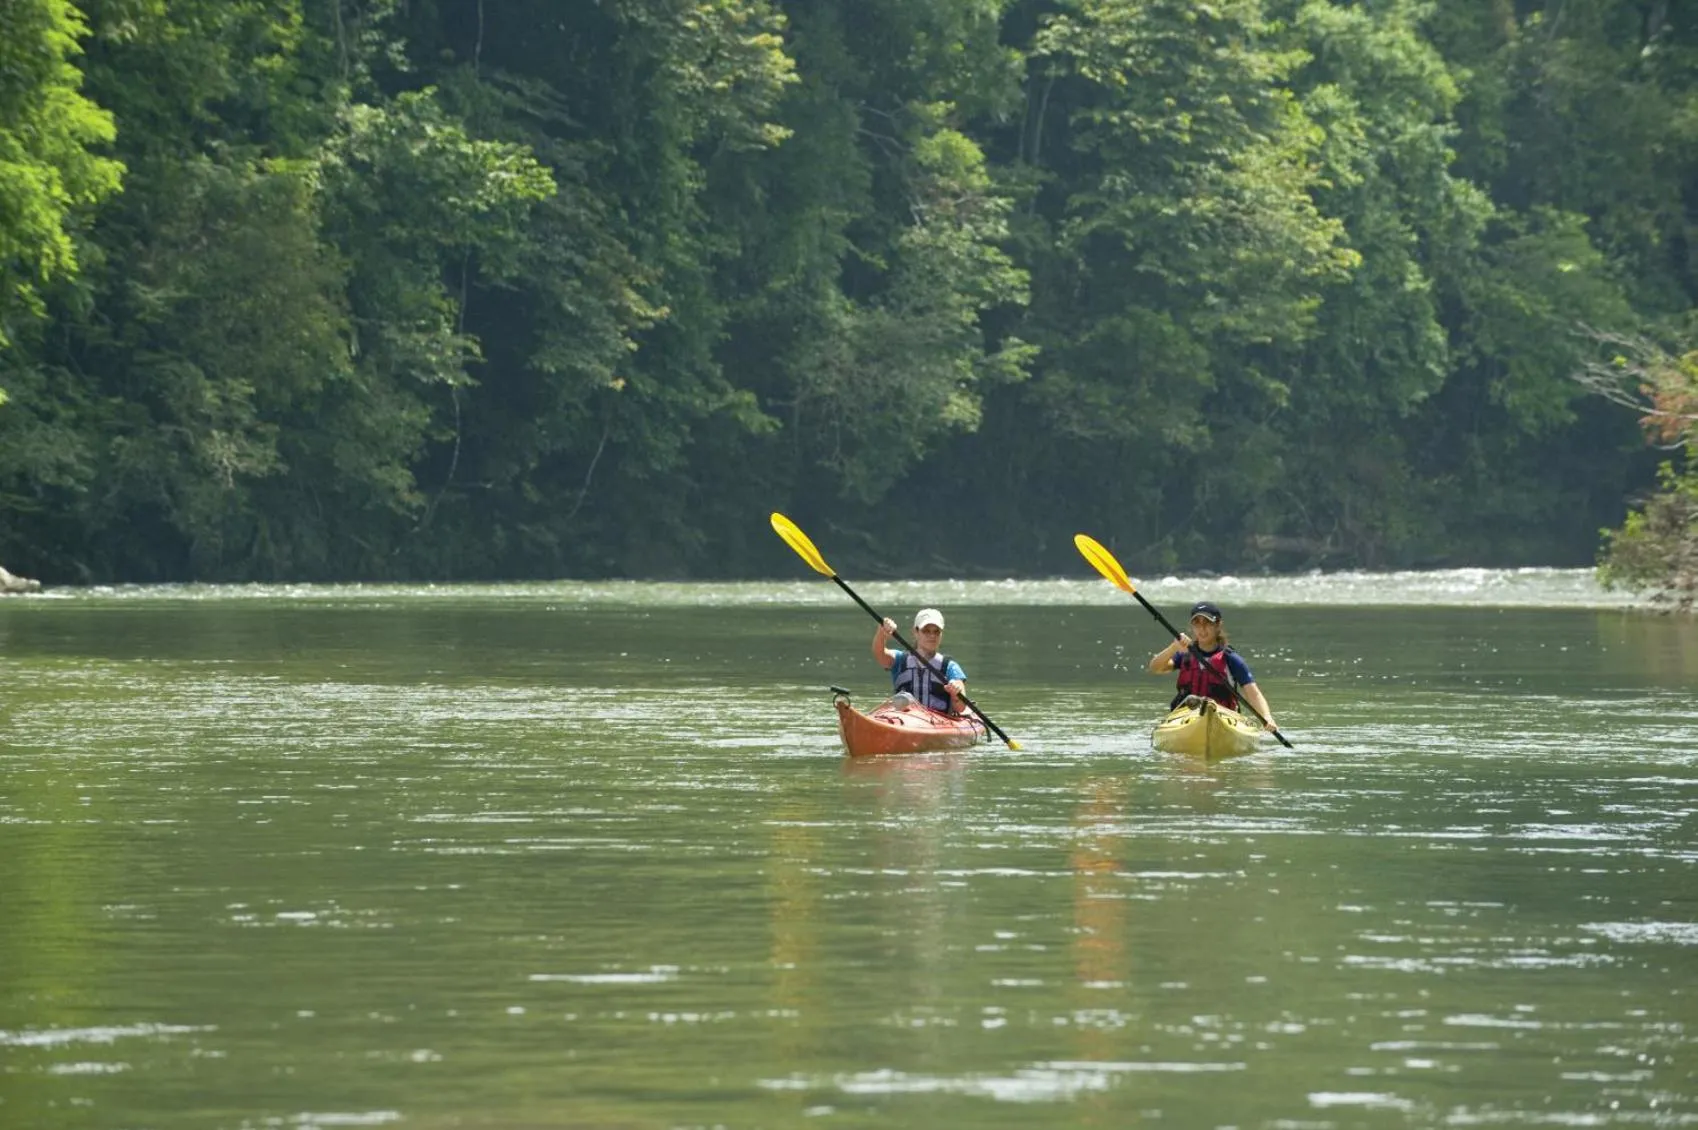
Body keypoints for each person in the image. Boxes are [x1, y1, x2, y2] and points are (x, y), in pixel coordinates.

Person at [1146, 601, 1278, 730]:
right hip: (1186, 717)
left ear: (1218, 625)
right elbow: (1155, 668)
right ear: (1192, 627)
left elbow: (1253, 693)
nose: (1202, 628)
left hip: (1224, 719)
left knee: (1210, 709)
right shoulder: (1184, 653)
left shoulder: (1231, 659)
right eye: (1197, 623)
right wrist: (1173, 647)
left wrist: (1267, 717)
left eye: (1207, 623)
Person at [871, 607, 968, 715]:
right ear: (915, 632)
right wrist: (882, 632)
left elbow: (961, 708)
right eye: (926, 631)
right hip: (904, 716)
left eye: (936, 632)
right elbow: (879, 653)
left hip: (938, 719)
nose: (932, 636)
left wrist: (955, 694)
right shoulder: (899, 659)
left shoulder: (950, 666)